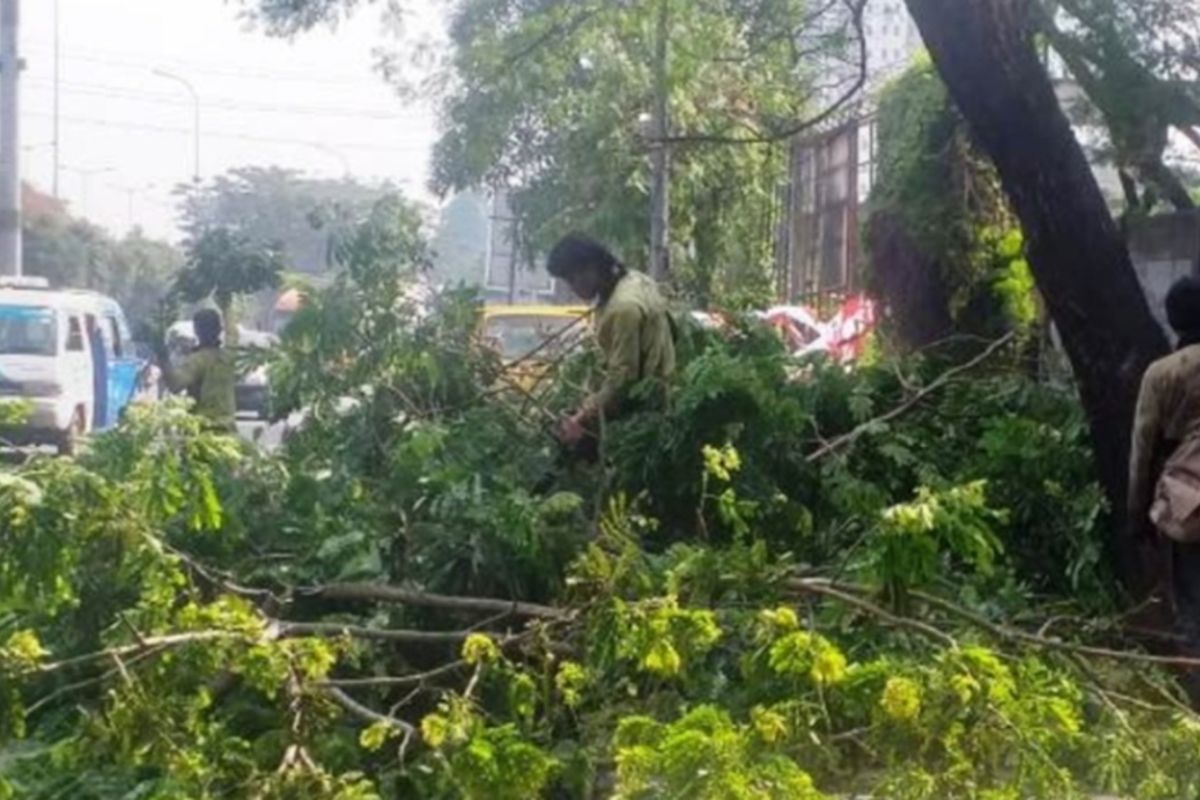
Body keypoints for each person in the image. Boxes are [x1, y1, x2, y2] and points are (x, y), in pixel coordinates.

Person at [546, 234, 676, 452]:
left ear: (591, 267)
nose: (573, 287)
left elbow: (622, 379)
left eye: (572, 278)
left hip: (643, 416)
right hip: (663, 399)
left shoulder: (623, 308)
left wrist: (581, 417)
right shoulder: (637, 280)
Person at [1129, 275, 1200, 639]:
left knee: (1191, 604)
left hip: (1186, 503)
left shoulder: (1161, 374)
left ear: (1172, 319)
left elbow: (1142, 450)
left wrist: (1136, 513)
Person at [160, 308, 237, 432]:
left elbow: (175, 385)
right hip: (229, 430)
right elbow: (233, 335)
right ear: (219, 329)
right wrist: (226, 305)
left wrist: (162, 357)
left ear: (197, 330)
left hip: (203, 432)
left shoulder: (197, 361)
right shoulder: (228, 357)